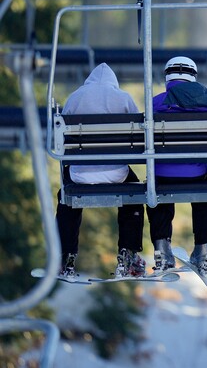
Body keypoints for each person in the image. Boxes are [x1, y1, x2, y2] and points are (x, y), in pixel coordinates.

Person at [55, 63, 146, 278]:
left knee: (66, 198)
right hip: (117, 172)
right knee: (135, 194)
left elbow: (61, 138)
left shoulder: (75, 97)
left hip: (80, 174)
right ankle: (128, 254)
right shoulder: (123, 98)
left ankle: (65, 257)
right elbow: (140, 135)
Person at [146, 56, 207, 276]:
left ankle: (162, 249)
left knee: (154, 187)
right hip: (197, 173)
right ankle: (203, 251)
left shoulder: (156, 103)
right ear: (193, 77)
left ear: (167, 77)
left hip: (162, 173)